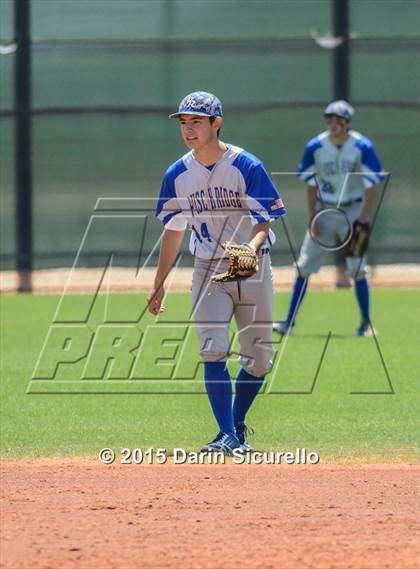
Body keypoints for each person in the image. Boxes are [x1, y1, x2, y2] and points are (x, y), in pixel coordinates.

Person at [148, 91, 286, 454]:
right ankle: (226, 434)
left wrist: (251, 249)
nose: (188, 129)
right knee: (213, 349)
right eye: (184, 122)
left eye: (196, 121)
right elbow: (174, 229)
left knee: (259, 359)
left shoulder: (246, 166)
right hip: (208, 267)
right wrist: (159, 283)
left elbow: (264, 220)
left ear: (216, 123)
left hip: (252, 267)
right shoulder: (177, 175)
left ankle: (236, 428)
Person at [273, 100, 383, 337]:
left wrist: (361, 220)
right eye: (330, 119)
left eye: (338, 120)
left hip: (353, 210)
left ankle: (365, 324)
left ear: (348, 123)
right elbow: (311, 184)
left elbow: (371, 186)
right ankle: (288, 322)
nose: (333, 123)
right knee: (304, 266)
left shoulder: (362, 146)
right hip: (325, 209)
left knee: (358, 269)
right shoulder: (316, 146)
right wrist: (313, 216)